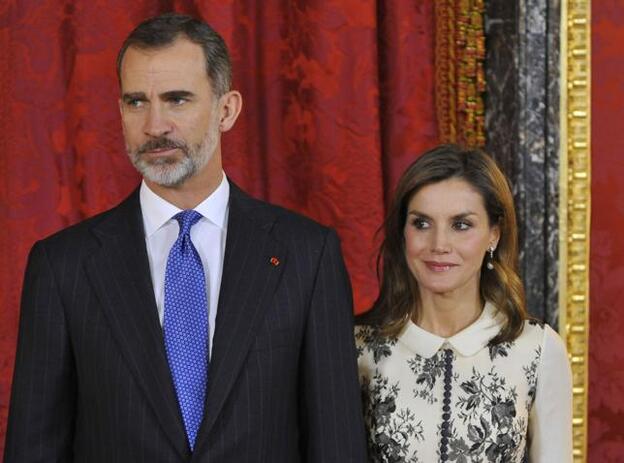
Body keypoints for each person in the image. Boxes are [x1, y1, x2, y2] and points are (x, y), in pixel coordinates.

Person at [5, 13, 367, 463]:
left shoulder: (307, 256)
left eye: (177, 100)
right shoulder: (63, 266)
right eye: (137, 102)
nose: (155, 125)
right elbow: (33, 448)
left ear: (227, 109)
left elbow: (337, 446)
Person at [355, 145, 572, 462]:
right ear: (403, 233)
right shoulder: (357, 348)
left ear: (493, 235)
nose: (439, 245)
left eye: (461, 225)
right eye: (422, 223)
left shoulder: (537, 350)